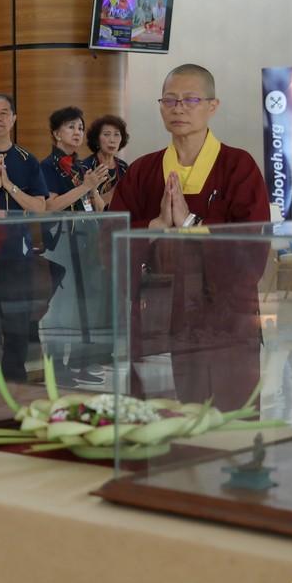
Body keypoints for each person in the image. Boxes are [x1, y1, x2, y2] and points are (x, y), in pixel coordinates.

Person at [111, 63, 269, 408]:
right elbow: (109, 242)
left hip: (222, 320)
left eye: (190, 99)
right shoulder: (141, 171)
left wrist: (191, 223)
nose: (178, 108)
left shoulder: (238, 167)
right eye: (169, 100)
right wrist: (154, 227)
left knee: (225, 419)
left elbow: (252, 251)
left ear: (213, 106)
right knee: (158, 415)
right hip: (156, 319)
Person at [0, 93, 48, 380]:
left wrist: (10, 186)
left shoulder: (27, 160)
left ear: (14, 118)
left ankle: (15, 380)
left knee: (17, 322)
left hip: (17, 253)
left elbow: (40, 207)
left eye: (4, 112)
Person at [38, 107, 108, 386]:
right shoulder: (47, 166)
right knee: (61, 308)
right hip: (61, 241)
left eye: (80, 127)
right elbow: (50, 205)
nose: (77, 132)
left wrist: (94, 188)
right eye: (70, 127)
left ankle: (79, 363)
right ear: (56, 133)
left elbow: (97, 207)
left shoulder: (81, 168)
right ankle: (56, 367)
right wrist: (85, 186)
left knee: (83, 306)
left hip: (87, 240)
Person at [82, 113, 130, 209]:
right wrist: (112, 193)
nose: (112, 140)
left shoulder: (123, 167)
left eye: (116, 134)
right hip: (95, 218)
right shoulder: (86, 166)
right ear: (97, 139)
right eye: (106, 134)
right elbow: (85, 206)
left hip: (121, 217)